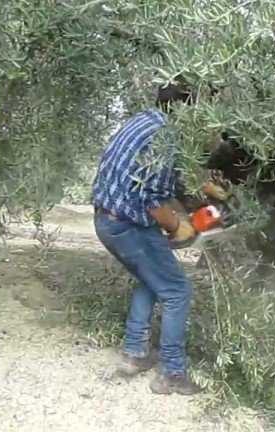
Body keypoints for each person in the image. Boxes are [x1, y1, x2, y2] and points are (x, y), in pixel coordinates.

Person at [91, 77, 212, 396]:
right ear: (190, 107)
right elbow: (155, 202)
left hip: (107, 219)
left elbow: (154, 180)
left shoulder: (145, 120)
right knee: (176, 290)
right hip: (128, 226)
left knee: (151, 279)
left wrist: (203, 190)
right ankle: (172, 373)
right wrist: (177, 227)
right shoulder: (167, 137)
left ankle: (135, 353)